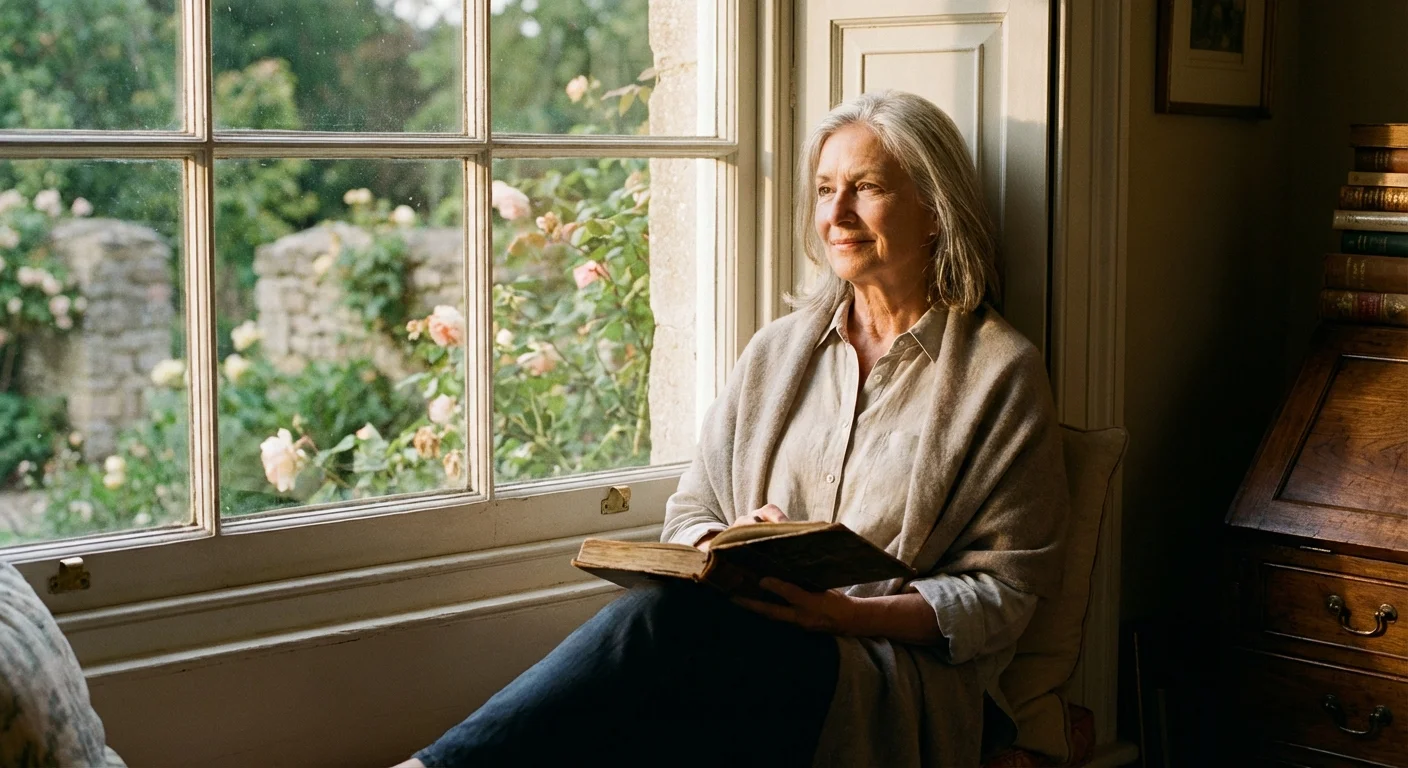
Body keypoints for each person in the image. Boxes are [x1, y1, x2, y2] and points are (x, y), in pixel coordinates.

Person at [397, 89, 1068, 768]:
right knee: (665, 661)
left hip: (882, 676)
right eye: (825, 189)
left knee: (661, 637)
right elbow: (693, 507)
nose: (835, 215)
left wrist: (842, 615)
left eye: (864, 189)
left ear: (934, 210)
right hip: (743, 643)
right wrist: (723, 544)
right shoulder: (777, 353)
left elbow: (1003, 596)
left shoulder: (1000, 375)